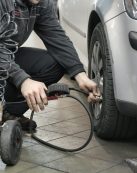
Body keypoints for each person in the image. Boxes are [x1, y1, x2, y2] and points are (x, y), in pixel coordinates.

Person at [0, 0, 100, 131]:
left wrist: (80, 76)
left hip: (5, 57)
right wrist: (22, 80)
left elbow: (56, 37)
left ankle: (8, 112)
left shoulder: (41, 3)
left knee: (55, 63)